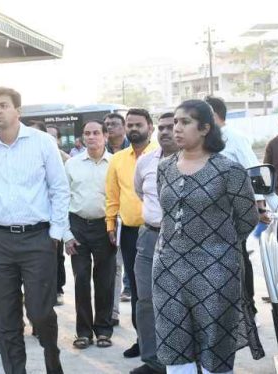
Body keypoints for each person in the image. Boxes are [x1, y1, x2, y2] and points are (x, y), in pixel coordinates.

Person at [0, 87, 78, 374]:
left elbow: (59, 188)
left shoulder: (42, 143)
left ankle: (52, 360)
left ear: (18, 110)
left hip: (37, 238)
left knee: (40, 313)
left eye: (3, 105)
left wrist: (55, 233)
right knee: (6, 318)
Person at [153, 100, 264, 374]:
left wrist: (216, 248)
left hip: (215, 271)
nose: (176, 128)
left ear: (204, 128)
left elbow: (247, 218)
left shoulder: (229, 170)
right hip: (168, 269)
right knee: (174, 343)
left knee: (214, 345)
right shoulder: (165, 167)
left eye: (185, 122)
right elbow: (168, 214)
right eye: (175, 122)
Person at [205, 96, 267, 324]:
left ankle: (248, 313)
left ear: (213, 114)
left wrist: (259, 206)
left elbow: (254, 170)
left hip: (233, 214)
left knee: (239, 262)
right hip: (209, 215)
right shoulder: (205, 141)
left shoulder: (235, 138)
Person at [105, 108, 157, 359]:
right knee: (137, 290)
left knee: (162, 288)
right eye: (130, 125)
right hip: (130, 233)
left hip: (159, 231)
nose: (134, 128)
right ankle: (143, 341)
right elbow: (112, 196)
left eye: (139, 124)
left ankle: (167, 343)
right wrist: (110, 225)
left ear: (150, 126)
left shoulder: (162, 155)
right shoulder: (117, 159)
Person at [130, 112, 178, 374]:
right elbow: (140, 192)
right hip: (149, 238)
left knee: (180, 302)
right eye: (161, 127)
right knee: (146, 300)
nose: (166, 132)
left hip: (182, 241)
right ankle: (152, 361)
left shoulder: (195, 161)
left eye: (172, 126)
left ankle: (182, 361)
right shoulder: (146, 162)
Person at [64, 120, 116, 350]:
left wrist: (116, 227)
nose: (91, 137)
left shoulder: (116, 163)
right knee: (81, 279)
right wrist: (66, 234)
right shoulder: (72, 164)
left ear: (105, 136)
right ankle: (83, 332)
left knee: (105, 280)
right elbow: (62, 199)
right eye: (87, 133)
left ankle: (103, 330)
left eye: (96, 133)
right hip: (78, 226)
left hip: (106, 227)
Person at [30, 120, 67, 307]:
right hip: (35, 222)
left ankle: (56, 290)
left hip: (53, 219)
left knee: (54, 258)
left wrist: (59, 226)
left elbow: (62, 189)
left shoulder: (64, 159)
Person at [103, 112, 131, 318]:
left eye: (114, 124)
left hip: (131, 219)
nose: (110, 128)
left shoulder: (134, 150)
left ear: (124, 127)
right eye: (107, 125)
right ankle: (112, 313)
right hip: (109, 219)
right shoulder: (100, 153)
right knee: (114, 267)